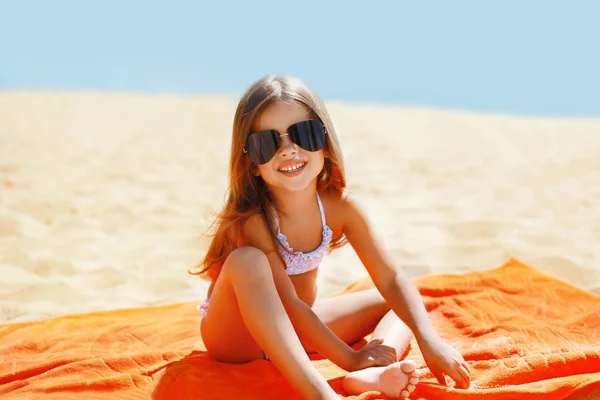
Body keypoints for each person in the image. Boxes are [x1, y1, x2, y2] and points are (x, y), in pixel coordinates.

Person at [190, 75, 471, 399]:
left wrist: (428, 339)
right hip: (237, 340)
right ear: (252, 163)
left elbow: (390, 277)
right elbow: (291, 305)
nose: (288, 150)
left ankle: (374, 374)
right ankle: (322, 394)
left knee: (400, 300)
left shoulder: (341, 208)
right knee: (247, 261)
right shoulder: (253, 221)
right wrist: (347, 357)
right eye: (268, 143)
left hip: (297, 328)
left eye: (303, 134)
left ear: (324, 141)